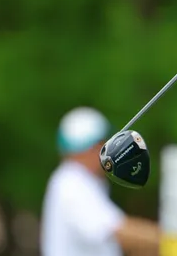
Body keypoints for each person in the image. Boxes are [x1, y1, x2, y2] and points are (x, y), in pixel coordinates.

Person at [40, 106, 161, 256]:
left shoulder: (78, 181)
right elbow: (116, 230)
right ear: (93, 148)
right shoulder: (71, 183)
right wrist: (172, 241)